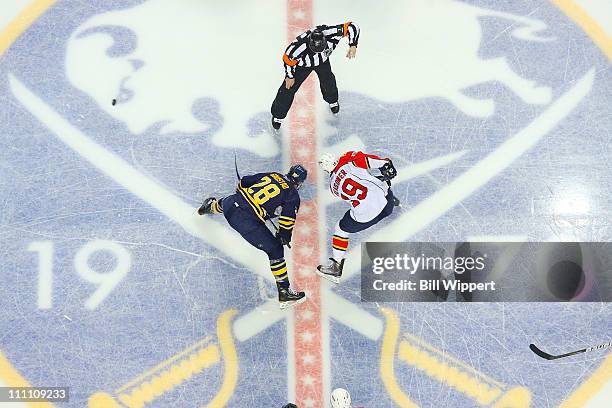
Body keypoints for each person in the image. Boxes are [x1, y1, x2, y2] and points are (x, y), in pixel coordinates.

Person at [198, 165, 308, 309]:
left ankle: (209, 207)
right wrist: (284, 236)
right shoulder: (293, 195)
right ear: (299, 183)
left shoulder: (274, 175)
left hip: (230, 204)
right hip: (245, 222)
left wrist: (242, 195)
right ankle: (284, 292)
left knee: (234, 200)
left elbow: (244, 182)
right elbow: (287, 220)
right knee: (276, 251)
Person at [316, 151, 399, 283]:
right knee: (378, 181)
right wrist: (385, 164)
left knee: (341, 229)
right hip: (386, 204)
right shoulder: (347, 160)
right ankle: (392, 201)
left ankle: (336, 266)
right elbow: (367, 160)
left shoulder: (333, 187)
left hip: (365, 216)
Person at [270, 22, 360, 130]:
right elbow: (288, 59)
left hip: (322, 62)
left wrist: (353, 44)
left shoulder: (330, 33)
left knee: (328, 81)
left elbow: (352, 26)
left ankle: (332, 100)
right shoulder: (299, 46)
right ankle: (278, 115)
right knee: (288, 88)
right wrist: (290, 76)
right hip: (302, 66)